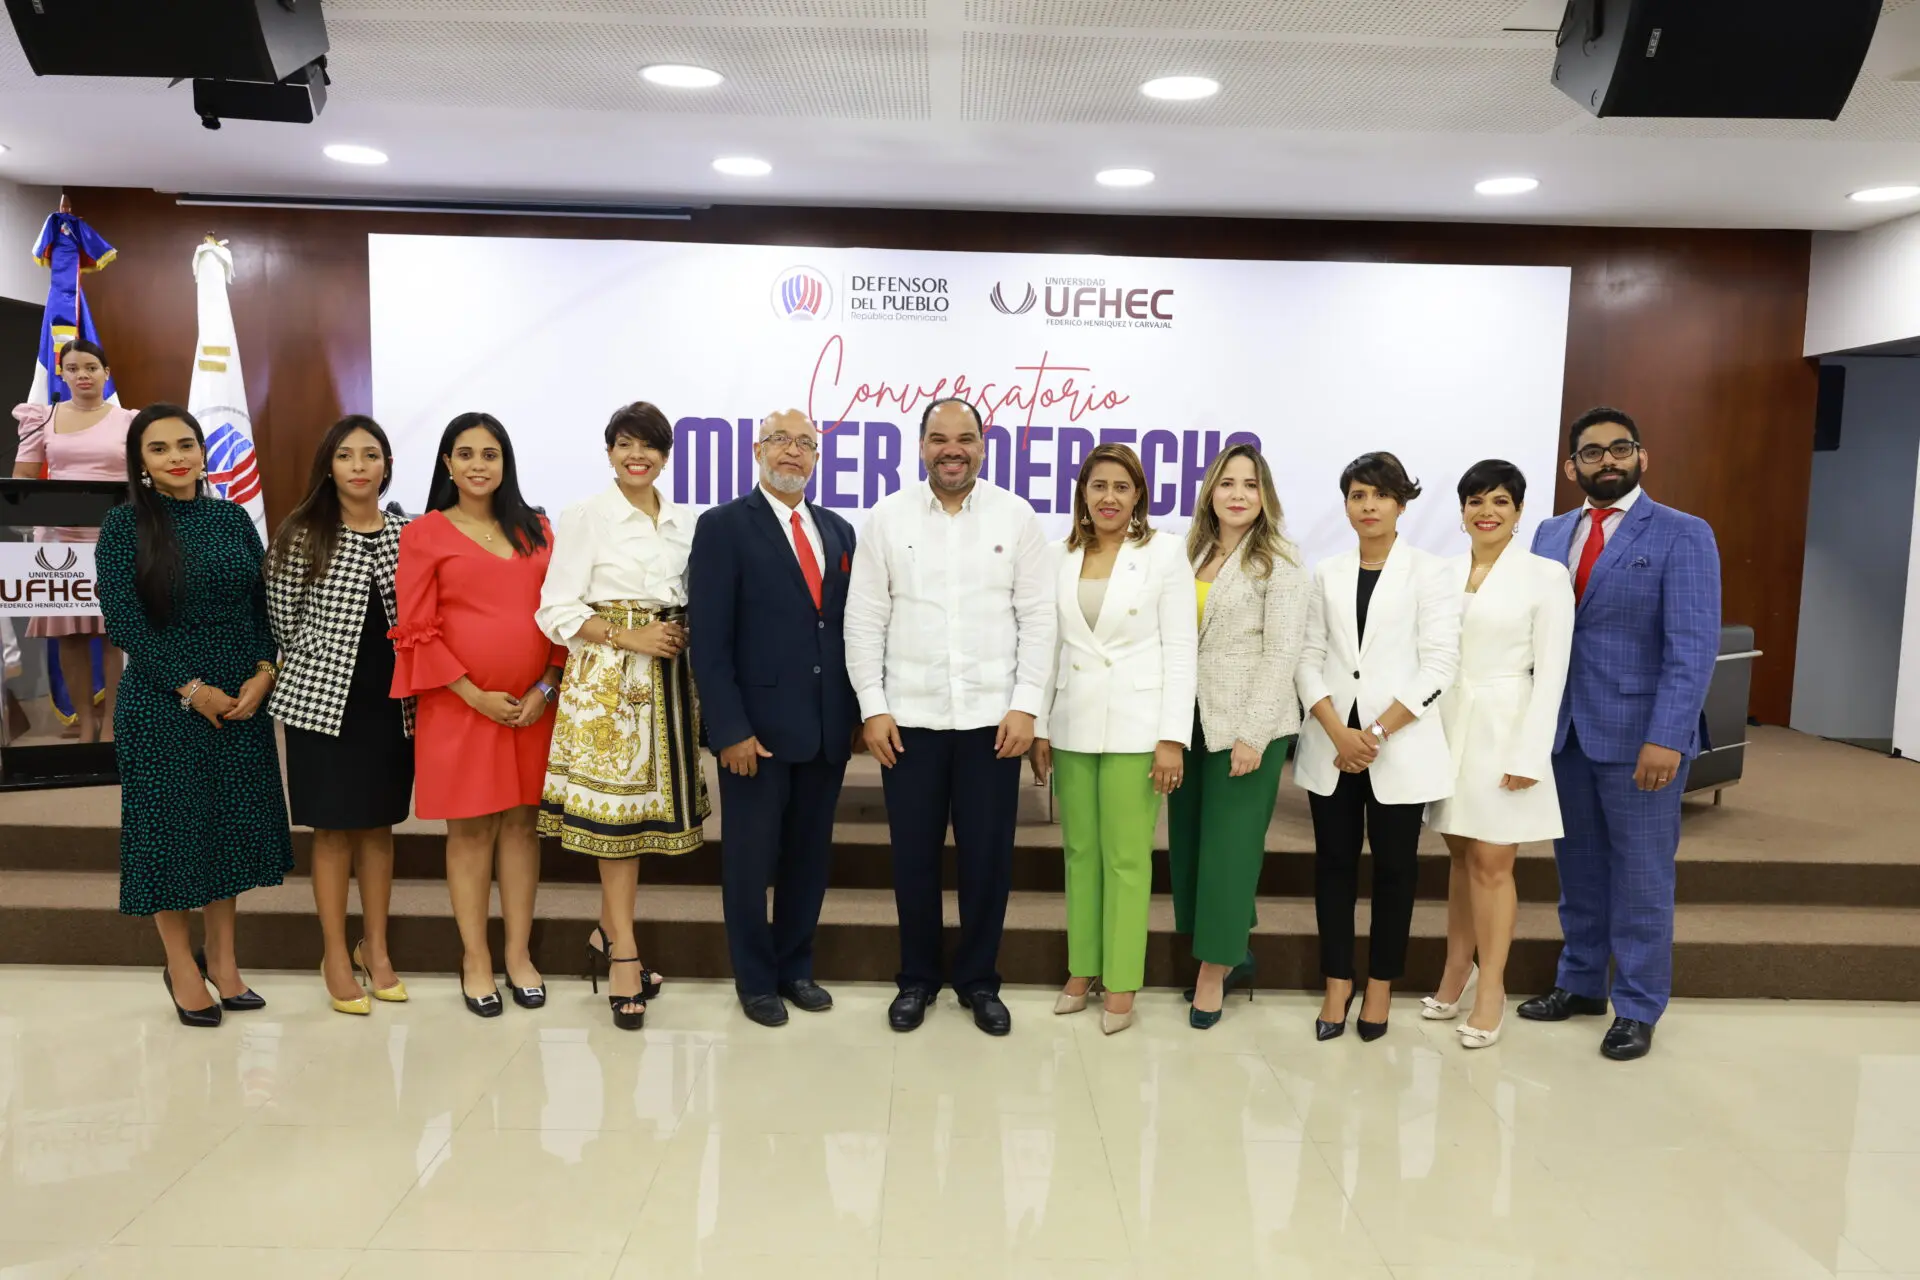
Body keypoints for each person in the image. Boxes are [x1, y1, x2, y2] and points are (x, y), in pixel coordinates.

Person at [845, 397, 1054, 1037]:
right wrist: (874, 709)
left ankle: (978, 981)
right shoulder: (887, 518)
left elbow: (1039, 619)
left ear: (984, 446)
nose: (952, 449)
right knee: (912, 860)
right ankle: (917, 979)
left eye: (965, 438)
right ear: (921, 445)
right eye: (939, 438)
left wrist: (1027, 706)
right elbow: (865, 620)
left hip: (994, 722)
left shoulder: (1016, 517)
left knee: (988, 863)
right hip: (909, 721)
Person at [1518, 407, 1720, 1061]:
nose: (1608, 460)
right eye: (1593, 452)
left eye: (1620, 449)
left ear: (1642, 457)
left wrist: (1668, 734)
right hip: (1566, 734)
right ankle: (1579, 984)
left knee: (1640, 878)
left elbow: (1692, 646)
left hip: (1641, 740)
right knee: (1578, 873)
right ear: (1571, 466)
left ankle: (1637, 1006)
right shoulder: (1550, 534)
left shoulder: (1682, 535)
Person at [95, 404, 290, 1027]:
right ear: (142, 463)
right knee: (172, 839)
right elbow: (124, 620)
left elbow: (261, 606)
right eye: (159, 449)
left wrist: (264, 672)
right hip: (163, 706)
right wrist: (191, 687)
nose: (177, 457)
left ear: (204, 452)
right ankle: (182, 966)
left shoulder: (233, 519)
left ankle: (225, 963)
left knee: (227, 836)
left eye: (186, 444)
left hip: (240, 702)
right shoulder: (125, 526)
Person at [537, 402, 709, 1032]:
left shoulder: (684, 521)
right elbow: (553, 609)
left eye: (650, 446)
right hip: (609, 685)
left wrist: (681, 632)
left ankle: (608, 933)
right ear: (609, 451)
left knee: (641, 826)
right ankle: (624, 958)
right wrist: (626, 636)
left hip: (667, 683)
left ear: (665, 455)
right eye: (625, 444)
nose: (638, 456)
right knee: (615, 828)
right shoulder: (585, 516)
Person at [391, 412, 564, 1019]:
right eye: (465, 454)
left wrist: (546, 684)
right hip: (459, 706)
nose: (478, 465)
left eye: (489, 454)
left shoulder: (538, 529)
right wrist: (473, 694)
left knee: (521, 827)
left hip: (533, 705)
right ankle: (476, 958)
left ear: (505, 462)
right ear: (446, 464)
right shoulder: (425, 534)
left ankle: (518, 954)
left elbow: (561, 613)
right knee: (470, 832)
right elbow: (413, 629)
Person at [688, 409, 857, 1028]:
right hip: (752, 735)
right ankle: (755, 980)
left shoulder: (838, 531)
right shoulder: (724, 526)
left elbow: (845, 631)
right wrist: (729, 729)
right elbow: (710, 642)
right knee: (750, 862)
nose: (794, 452)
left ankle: (795, 967)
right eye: (782, 441)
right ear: (758, 450)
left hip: (824, 730)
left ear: (817, 458)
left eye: (806, 444)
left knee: (809, 860)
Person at [1028, 444, 1196, 1036]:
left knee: (1127, 859)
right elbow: (1045, 647)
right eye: (1097, 486)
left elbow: (1180, 650)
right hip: (1073, 723)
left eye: (1121, 488)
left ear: (1138, 497)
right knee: (1079, 854)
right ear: (1081, 494)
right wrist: (1041, 726)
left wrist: (1172, 738)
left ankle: (1121, 979)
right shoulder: (1056, 556)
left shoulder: (1165, 554)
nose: (1108, 497)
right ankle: (1082, 968)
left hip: (1138, 728)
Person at [1295, 451, 1459, 1042]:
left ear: (1401, 503)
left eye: (1381, 495)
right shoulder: (1326, 572)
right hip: (1333, 746)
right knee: (1333, 867)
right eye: (1358, 495)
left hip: (1398, 745)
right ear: (1346, 505)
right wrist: (1339, 732)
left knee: (1396, 871)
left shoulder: (1432, 572)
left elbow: (1440, 664)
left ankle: (1382, 985)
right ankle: (1338, 982)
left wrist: (1378, 733)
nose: (1369, 506)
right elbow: (1307, 657)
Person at [1423, 460, 1574, 1048]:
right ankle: (1455, 972)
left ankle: (1493, 990)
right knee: (1459, 857)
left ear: (1518, 512)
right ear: (1461, 512)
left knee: (1492, 863)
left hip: (1506, 727)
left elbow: (1553, 673)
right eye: (1475, 501)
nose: (1487, 511)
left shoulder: (1545, 576)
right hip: (1445, 728)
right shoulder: (1439, 573)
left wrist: (1530, 753)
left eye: (1501, 502)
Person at [266, 415, 414, 1016]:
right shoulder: (303, 532)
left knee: (377, 829)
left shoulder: (409, 532)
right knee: (332, 832)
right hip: (323, 703)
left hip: (390, 702)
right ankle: (333, 953)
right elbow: (280, 619)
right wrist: (317, 664)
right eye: (347, 455)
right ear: (329, 465)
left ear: (386, 466)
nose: (359, 465)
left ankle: (374, 949)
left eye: (371, 455)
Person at [1170, 443, 1308, 1030]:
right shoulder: (1186, 550)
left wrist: (1253, 734)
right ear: (1209, 491)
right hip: (1187, 724)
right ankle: (1235, 949)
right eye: (1227, 483)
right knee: (1190, 848)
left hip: (1248, 727)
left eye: (1250, 485)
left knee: (1229, 850)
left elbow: (1282, 654)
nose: (1237, 494)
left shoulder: (1281, 559)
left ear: (1265, 495)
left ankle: (1212, 971)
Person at [12, 340, 137, 743]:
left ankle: (118, 722)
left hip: (115, 536)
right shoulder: (41, 417)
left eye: (90, 367)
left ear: (106, 372)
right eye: (72, 368)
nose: (82, 374)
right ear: (62, 374)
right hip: (59, 541)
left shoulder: (131, 421)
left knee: (114, 633)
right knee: (70, 634)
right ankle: (86, 723)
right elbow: (23, 481)